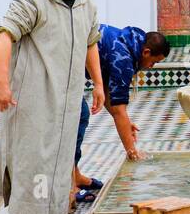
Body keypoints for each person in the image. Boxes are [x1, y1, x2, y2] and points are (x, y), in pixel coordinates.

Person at [0, 0, 104, 214]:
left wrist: (97, 83)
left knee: (55, 167)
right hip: (32, 99)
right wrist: (3, 83)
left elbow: (90, 42)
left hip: (65, 102)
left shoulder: (85, 3)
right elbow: (4, 35)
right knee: (35, 166)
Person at [72, 26, 171, 201]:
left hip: (70, 63)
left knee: (80, 115)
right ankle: (69, 187)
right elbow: (118, 109)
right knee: (77, 117)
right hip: (60, 65)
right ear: (146, 52)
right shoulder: (124, 59)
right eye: (154, 62)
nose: (150, 67)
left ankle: (75, 175)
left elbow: (112, 99)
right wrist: (132, 152)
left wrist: (126, 121)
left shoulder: (131, 41)